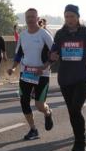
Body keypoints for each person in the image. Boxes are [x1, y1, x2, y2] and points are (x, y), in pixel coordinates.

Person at [49, 4, 86, 151]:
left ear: (78, 17)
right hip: (65, 78)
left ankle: (81, 141)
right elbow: (53, 51)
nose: (69, 19)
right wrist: (52, 56)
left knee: (76, 109)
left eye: (72, 16)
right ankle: (78, 140)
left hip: (82, 77)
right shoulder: (60, 34)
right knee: (72, 112)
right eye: (67, 16)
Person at [6, 8, 55, 142]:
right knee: (24, 102)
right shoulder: (23, 35)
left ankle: (47, 112)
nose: (30, 19)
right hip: (26, 72)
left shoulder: (44, 34)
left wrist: (44, 67)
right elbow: (19, 54)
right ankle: (33, 129)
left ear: (37, 18)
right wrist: (13, 68)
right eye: (28, 17)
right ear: (25, 19)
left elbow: (55, 53)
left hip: (42, 74)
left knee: (39, 105)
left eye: (33, 17)